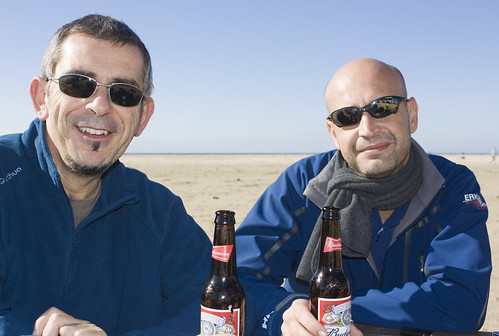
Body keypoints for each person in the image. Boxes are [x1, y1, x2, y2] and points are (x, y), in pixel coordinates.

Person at [236, 58, 492, 336]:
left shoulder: (449, 185)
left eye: (383, 107)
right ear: (333, 133)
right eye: (347, 117)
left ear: (412, 114)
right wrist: (283, 313)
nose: (367, 129)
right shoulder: (302, 185)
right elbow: (236, 277)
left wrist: (329, 311)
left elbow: (462, 301)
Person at [0, 14, 212, 336]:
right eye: (78, 84)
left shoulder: (160, 213)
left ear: (143, 116)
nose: (99, 106)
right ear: (41, 98)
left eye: (123, 93)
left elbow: (220, 308)